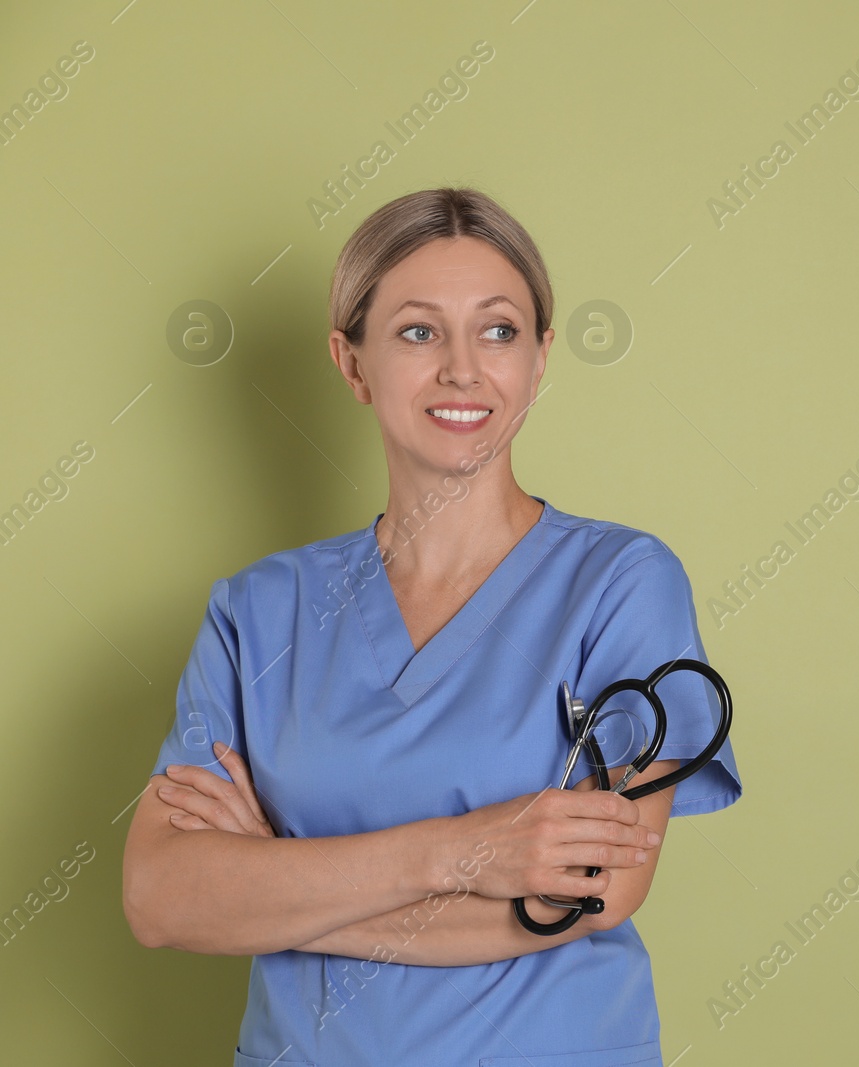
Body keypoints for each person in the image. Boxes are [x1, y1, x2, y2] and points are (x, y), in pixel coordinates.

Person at [121, 186, 741, 1067]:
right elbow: (160, 898)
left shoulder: (622, 583)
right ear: (351, 360)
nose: (462, 368)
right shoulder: (258, 611)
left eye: (498, 331)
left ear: (540, 358)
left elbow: (594, 894)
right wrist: (473, 849)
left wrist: (281, 877)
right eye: (418, 331)